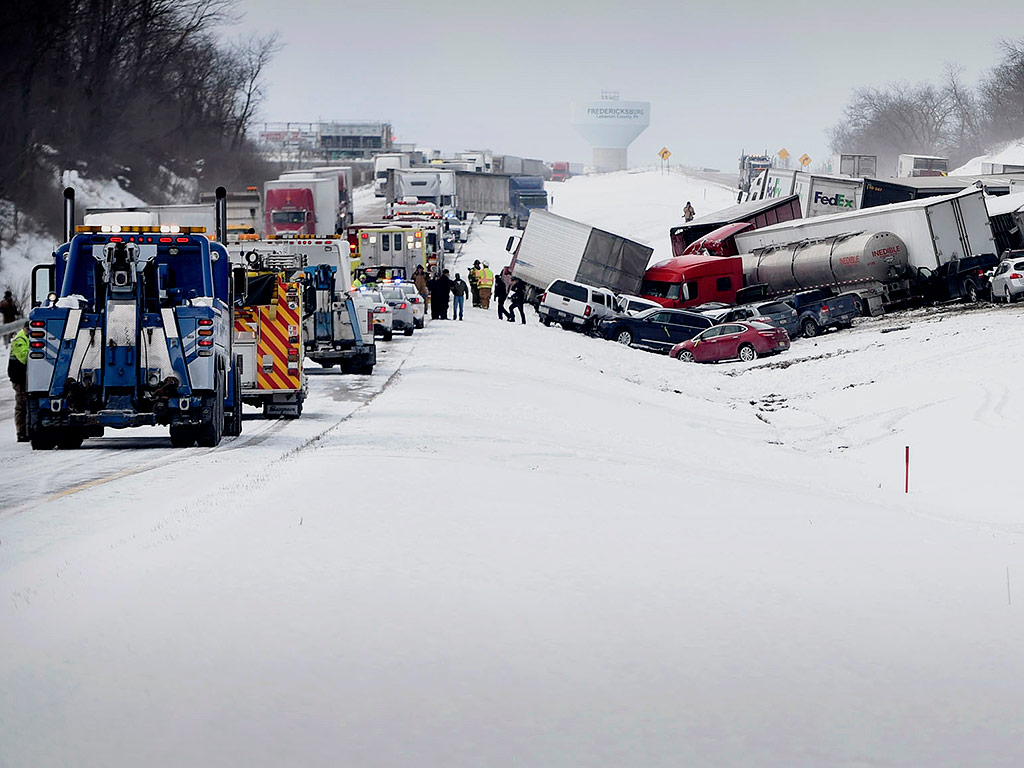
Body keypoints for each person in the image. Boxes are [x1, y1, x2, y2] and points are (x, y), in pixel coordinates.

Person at [8, 322, 29, 442]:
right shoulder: (20, 339)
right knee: (21, 405)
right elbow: (24, 357)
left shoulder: (26, 337)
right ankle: (21, 432)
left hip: (23, 377)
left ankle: (25, 431)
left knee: (25, 404)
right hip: (19, 377)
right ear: (26, 329)